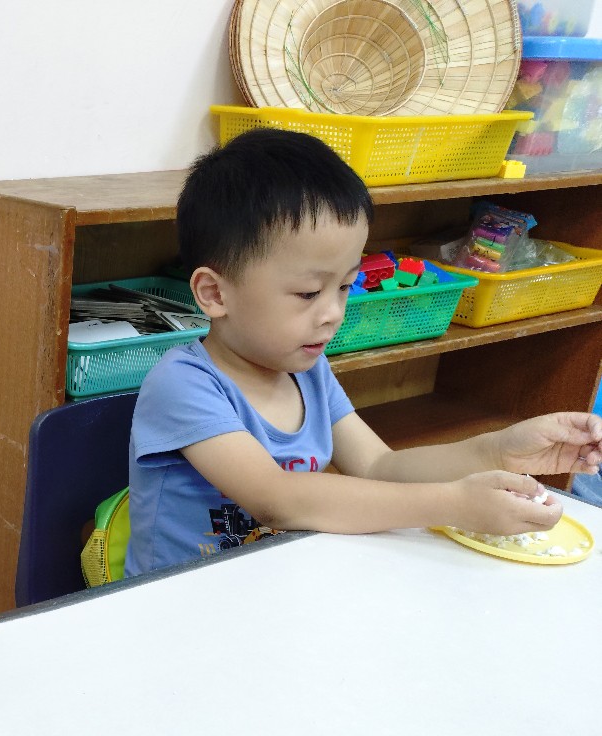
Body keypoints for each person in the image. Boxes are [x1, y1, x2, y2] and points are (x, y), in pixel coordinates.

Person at [126, 128, 602, 576]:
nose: (333, 313)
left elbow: (380, 467)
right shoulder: (184, 383)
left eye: (346, 286)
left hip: (280, 583)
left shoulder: (307, 373)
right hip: (181, 603)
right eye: (309, 293)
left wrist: (498, 451)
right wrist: (454, 504)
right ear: (214, 293)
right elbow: (276, 499)